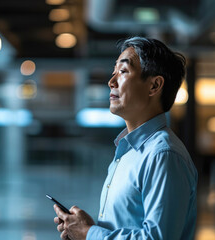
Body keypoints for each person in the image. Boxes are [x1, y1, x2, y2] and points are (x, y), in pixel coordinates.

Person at [53, 36, 198, 240]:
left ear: (154, 85)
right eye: (114, 73)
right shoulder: (128, 151)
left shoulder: (163, 155)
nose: (111, 81)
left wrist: (89, 234)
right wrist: (81, 232)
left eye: (122, 72)